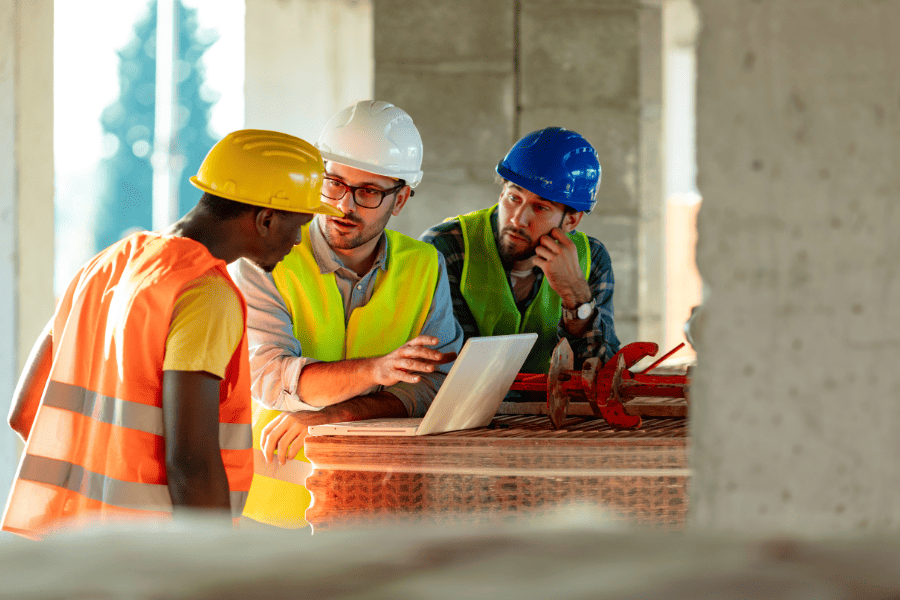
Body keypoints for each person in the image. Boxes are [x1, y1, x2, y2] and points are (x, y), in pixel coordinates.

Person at [2, 129, 339, 539]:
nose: (298, 240)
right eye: (300, 223)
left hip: (68, 547)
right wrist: (209, 567)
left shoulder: (104, 267)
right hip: (148, 557)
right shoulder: (204, 292)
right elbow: (192, 463)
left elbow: (24, 413)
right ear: (266, 219)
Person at [231, 101, 463, 529]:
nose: (344, 204)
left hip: (380, 505)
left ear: (402, 198)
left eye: (369, 191)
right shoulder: (265, 257)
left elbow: (435, 388)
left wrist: (337, 415)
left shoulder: (424, 266)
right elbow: (269, 379)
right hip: (269, 507)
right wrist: (377, 371)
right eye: (334, 182)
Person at [420, 127, 620, 375]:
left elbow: (603, 373)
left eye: (540, 207)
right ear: (502, 191)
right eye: (514, 198)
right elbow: (449, 365)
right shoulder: (446, 247)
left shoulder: (592, 259)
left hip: (551, 412)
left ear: (571, 221)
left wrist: (577, 298)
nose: (518, 219)